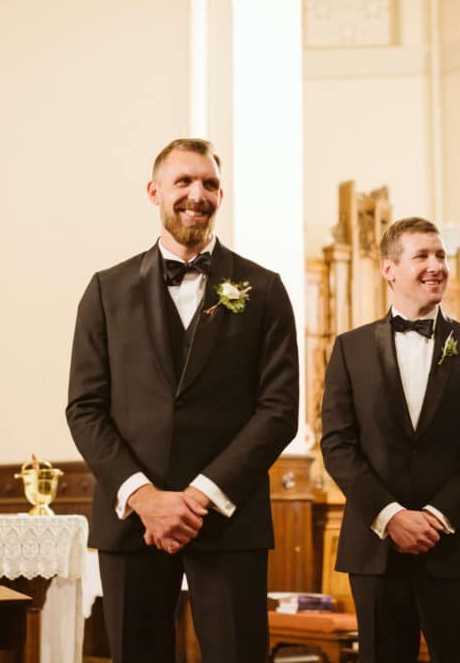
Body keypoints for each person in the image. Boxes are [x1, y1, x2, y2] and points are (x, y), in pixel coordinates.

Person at [66, 138, 299, 663]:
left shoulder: (262, 290)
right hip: (133, 522)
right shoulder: (106, 290)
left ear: (222, 195)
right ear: (155, 192)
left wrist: (198, 497)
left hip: (228, 517)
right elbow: (84, 407)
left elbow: (279, 409)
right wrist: (145, 496)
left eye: (210, 184)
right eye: (184, 182)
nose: (198, 195)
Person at [320, 217, 460, 662]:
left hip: (453, 544)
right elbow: (337, 444)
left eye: (441, 255)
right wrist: (390, 516)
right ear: (389, 269)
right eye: (422, 256)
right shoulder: (350, 348)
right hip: (375, 547)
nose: (436, 266)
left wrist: (436, 515)